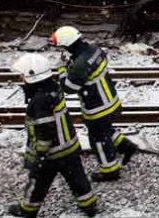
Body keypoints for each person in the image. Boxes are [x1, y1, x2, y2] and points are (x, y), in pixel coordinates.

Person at [8, 53, 99, 217]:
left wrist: (40, 155)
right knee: (78, 179)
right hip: (69, 147)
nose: (21, 78)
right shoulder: (54, 88)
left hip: (52, 153)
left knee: (38, 182)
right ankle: (89, 205)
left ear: (31, 76)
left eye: (22, 75)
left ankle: (27, 209)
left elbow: (45, 131)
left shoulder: (38, 101)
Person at [53, 25, 139, 181]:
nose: (62, 50)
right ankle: (127, 147)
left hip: (97, 107)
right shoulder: (94, 49)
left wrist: (61, 70)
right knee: (105, 130)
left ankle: (109, 171)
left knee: (98, 138)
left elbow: (69, 88)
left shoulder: (80, 64)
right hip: (110, 100)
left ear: (68, 44)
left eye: (62, 47)